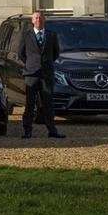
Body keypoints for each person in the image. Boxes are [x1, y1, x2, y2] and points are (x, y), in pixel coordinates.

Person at [18, 11, 66, 139]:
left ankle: (52, 130)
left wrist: (45, 64)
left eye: (40, 18)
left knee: (48, 103)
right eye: (36, 18)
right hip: (31, 74)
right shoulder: (26, 35)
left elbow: (55, 53)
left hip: (46, 74)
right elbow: (21, 54)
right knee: (29, 103)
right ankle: (27, 130)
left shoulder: (51, 35)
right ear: (32, 21)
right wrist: (31, 64)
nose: (38, 20)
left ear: (44, 20)